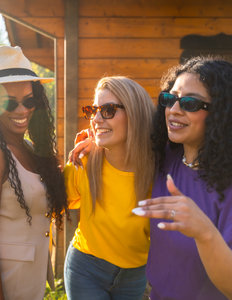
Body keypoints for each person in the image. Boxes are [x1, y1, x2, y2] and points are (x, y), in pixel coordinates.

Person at [131, 56, 232, 299]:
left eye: (190, 104)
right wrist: (94, 144)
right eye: (169, 99)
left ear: (223, 114)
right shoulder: (166, 159)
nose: (173, 109)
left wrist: (205, 233)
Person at [0, 45, 68, 300]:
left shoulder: (27, 147)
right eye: (9, 102)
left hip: (27, 289)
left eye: (29, 101)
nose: (22, 110)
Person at [63, 76, 156, 299]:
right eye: (93, 110)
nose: (95, 119)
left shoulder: (158, 169)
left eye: (107, 110)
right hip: (85, 270)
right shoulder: (83, 162)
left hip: (135, 277)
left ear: (135, 114)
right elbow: (55, 201)